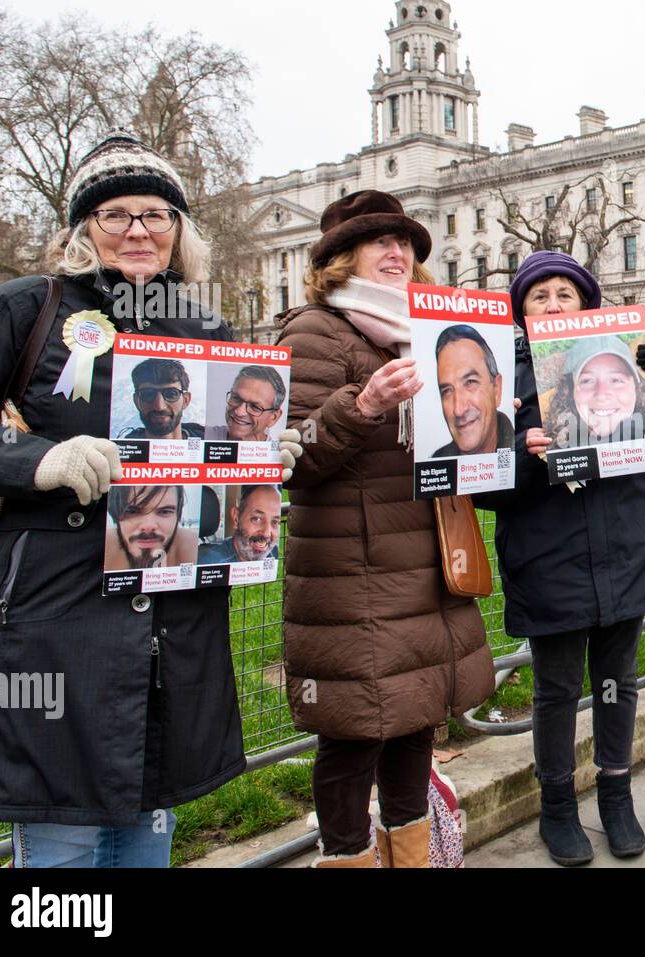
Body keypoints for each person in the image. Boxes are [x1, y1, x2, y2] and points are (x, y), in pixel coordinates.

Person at [0, 130, 289, 867]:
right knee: (63, 841)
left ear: (179, 231)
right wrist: (39, 459)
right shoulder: (28, 308)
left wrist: (262, 457)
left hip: (172, 622)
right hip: (54, 613)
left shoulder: (205, 326)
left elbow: (213, 458)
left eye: (156, 214)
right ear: (84, 228)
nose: (138, 229)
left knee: (147, 831)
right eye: (116, 214)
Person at [276, 190, 495, 867]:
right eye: (379, 241)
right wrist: (363, 403)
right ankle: (346, 856)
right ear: (341, 258)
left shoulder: (432, 333)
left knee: (414, 720)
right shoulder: (312, 329)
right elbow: (293, 456)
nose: (397, 251)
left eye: (405, 241)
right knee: (352, 736)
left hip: (425, 562)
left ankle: (415, 855)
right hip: (355, 574)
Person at [474, 250, 645, 866]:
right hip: (550, 557)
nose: (552, 304)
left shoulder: (624, 361)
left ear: (587, 305)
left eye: (564, 294)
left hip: (628, 545)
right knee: (557, 688)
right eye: (538, 296)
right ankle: (558, 806)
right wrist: (522, 455)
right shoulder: (503, 379)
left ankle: (617, 797)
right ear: (521, 309)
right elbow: (482, 486)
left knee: (618, 684)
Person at [543, 334, 645, 448]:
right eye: (587, 381)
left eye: (616, 380)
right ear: (570, 392)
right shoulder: (556, 448)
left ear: (637, 388)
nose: (601, 395)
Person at [432, 324, 514, 457]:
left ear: (496, 389)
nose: (458, 410)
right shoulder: (436, 463)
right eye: (447, 391)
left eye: (470, 382)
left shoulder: (522, 453)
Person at [104, 484, 198, 570]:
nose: (148, 526)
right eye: (132, 511)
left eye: (164, 511)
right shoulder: (102, 546)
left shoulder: (193, 548)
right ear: (115, 514)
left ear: (177, 515)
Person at [117, 358, 204, 440]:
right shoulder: (118, 451)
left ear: (186, 400)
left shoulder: (210, 445)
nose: (159, 406)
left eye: (171, 394)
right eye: (148, 394)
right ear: (136, 401)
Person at [197, 484, 282, 564]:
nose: (267, 533)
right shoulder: (211, 562)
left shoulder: (275, 555)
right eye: (257, 519)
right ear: (236, 518)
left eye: (275, 522)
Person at [206, 366, 286, 442]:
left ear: (273, 418)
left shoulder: (279, 453)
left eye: (255, 407)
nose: (239, 412)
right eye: (236, 398)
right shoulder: (201, 435)